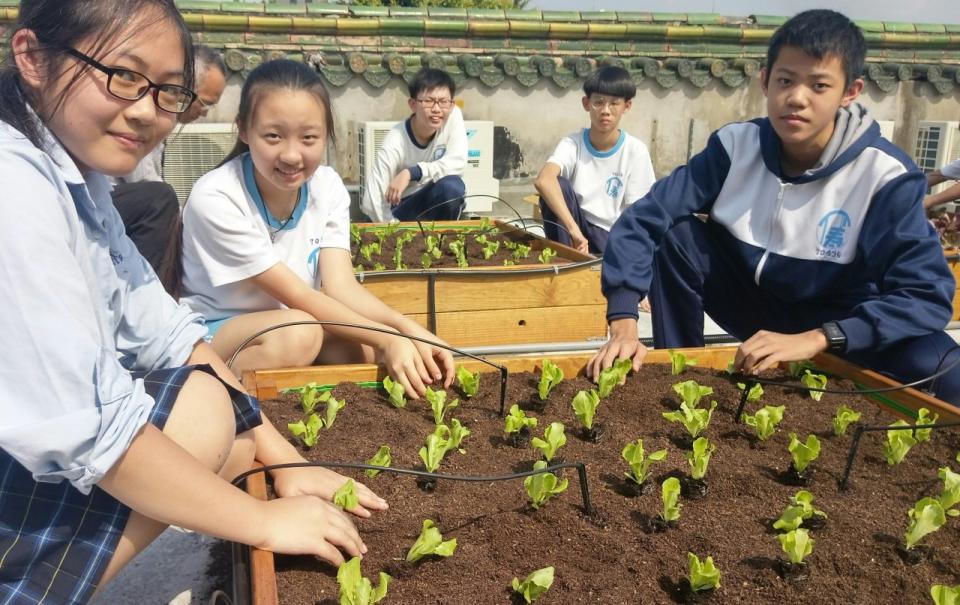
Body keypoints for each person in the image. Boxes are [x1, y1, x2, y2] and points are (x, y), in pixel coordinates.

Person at [0, 2, 386, 602]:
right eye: (123, 76)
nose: (146, 110)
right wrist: (262, 521)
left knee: (227, 431)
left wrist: (286, 463)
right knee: (216, 411)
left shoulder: (79, 182)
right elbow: (92, 430)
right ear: (31, 56)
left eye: (167, 93)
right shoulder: (12, 186)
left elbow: (171, 338)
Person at [588, 9, 960, 405]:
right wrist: (624, 323)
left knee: (947, 370)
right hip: (754, 307)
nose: (796, 98)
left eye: (819, 85)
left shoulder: (883, 175)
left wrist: (819, 339)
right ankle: (681, 378)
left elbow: (927, 295)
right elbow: (644, 220)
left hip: (838, 325)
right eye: (785, 80)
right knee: (677, 235)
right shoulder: (735, 148)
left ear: (850, 92)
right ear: (765, 81)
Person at [180, 59, 454, 398]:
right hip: (216, 331)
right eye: (273, 136)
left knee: (366, 351)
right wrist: (389, 336)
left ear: (325, 135)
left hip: (291, 322)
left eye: (309, 137)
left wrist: (406, 329)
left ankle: (289, 395)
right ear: (244, 130)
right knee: (303, 335)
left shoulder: (326, 186)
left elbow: (340, 286)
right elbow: (299, 295)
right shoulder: (218, 196)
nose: (292, 155)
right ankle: (216, 397)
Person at [109, 45, 227, 285]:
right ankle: (146, 291)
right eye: (204, 103)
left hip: (117, 203)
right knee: (161, 201)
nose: (204, 113)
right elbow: (145, 182)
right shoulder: (146, 115)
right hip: (96, 202)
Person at [534, 65, 655, 254]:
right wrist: (574, 230)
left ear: (627, 106)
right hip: (575, 231)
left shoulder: (635, 151)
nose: (605, 111)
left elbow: (639, 213)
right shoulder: (572, 143)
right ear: (586, 103)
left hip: (612, 236)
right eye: (598, 102)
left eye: (614, 103)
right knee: (559, 184)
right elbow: (543, 180)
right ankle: (566, 259)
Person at [360, 67, 467, 223]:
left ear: (451, 105)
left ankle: (442, 240)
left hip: (430, 198)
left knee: (452, 187)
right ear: (413, 104)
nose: (437, 109)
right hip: (399, 209)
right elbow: (371, 201)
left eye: (443, 102)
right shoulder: (396, 140)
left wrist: (412, 172)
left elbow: (458, 163)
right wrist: (394, 230)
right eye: (429, 101)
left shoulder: (453, 116)